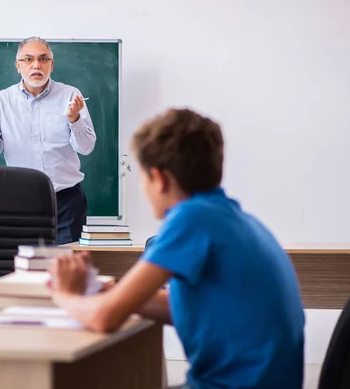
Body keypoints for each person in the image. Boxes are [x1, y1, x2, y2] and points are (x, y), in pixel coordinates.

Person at [48, 108, 305, 388]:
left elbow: (104, 318)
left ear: (159, 179)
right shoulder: (233, 217)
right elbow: (187, 306)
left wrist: (64, 295)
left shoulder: (191, 218)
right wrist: (112, 292)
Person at [0, 36, 96, 245]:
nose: (36, 65)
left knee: (66, 267)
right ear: (18, 66)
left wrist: (75, 119)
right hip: (20, 200)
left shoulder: (71, 96)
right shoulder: (2, 100)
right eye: (28, 59)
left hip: (66, 202)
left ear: (51, 65)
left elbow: (87, 147)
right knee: (22, 267)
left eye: (43, 59)